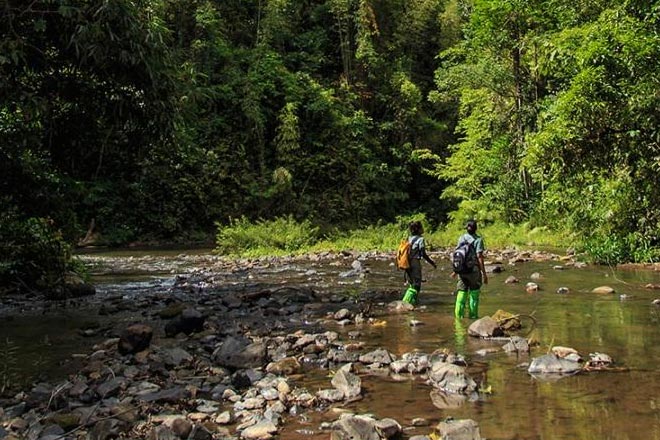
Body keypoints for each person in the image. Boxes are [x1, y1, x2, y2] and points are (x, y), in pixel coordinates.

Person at [452, 219, 488, 318]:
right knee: (474, 294)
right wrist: (484, 273)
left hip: (462, 271)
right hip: (473, 271)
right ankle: (473, 318)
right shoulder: (478, 240)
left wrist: (455, 270)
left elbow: (457, 256)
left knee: (461, 292)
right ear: (476, 229)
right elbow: (479, 257)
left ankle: (458, 319)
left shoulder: (461, 238)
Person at [402, 221, 437, 305]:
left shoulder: (409, 238)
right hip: (414, 263)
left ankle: (413, 302)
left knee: (412, 283)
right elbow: (423, 254)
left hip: (407, 263)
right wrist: (432, 263)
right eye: (421, 227)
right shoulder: (420, 239)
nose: (423, 229)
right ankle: (405, 302)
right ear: (418, 229)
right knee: (417, 285)